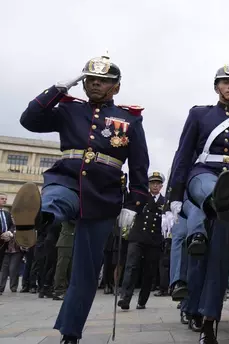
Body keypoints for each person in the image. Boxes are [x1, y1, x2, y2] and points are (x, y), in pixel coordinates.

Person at [12, 54, 149, 344]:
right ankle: (39, 220)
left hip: (104, 193)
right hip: (68, 177)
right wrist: (58, 89)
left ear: (116, 87)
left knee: (86, 273)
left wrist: (133, 205)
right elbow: (29, 120)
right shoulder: (68, 109)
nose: (95, 84)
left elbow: (139, 166)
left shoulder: (129, 119)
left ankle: (70, 334)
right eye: (90, 79)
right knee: (56, 199)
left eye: (103, 80)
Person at [166, 64, 229, 344]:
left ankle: (209, 321)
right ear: (216, 86)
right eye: (225, 82)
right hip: (202, 176)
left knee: (218, 259)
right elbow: (183, 156)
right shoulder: (199, 114)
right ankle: (192, 307)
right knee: (199, 248)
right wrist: (173, 198)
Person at [118, 171, 166, 310]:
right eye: (152, 183)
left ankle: (142, 300)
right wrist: (123, 188)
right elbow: (128, 201)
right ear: (148, 184)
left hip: (154, 240)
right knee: (131, 266)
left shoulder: (165, 202)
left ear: (161, 186)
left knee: (149, 271)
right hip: (138, 236)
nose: (155, 186)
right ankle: (125, 298)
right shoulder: (141, 197)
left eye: (157, 183)